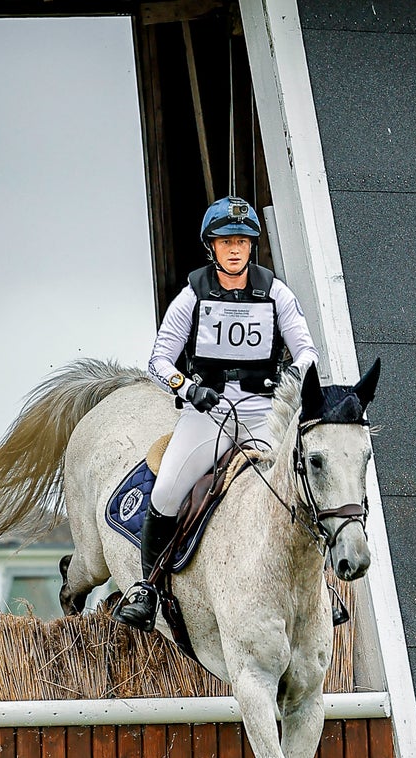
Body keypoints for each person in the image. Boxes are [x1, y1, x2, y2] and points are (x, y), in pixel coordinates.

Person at [114, 196, 320, 631]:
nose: (234, 249)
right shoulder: (192, 295)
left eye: (242, 242)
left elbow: (306, 353)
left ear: (252, 248)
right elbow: (159, 360)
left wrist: (288, 385)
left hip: (263, 409)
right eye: (226, 241)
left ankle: (325, 591)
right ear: (211, 246)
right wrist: (188, 388)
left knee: (296, 482)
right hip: (207, 411)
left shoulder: (276, 293)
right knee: (168, 487)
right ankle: (147, 588)